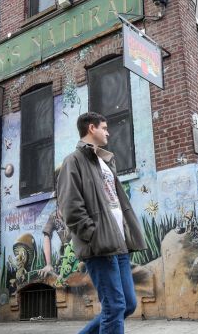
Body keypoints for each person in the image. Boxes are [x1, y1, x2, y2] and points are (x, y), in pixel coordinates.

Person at [57, 112, 147, 334]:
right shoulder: (73, 161)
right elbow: (70, 206)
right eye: (104, 128)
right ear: (91, 128)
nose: (108, 132)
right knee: (114, 306)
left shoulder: (105, 161)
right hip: (99, 244)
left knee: (127, 304)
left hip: (119, 243)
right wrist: (92, 234)